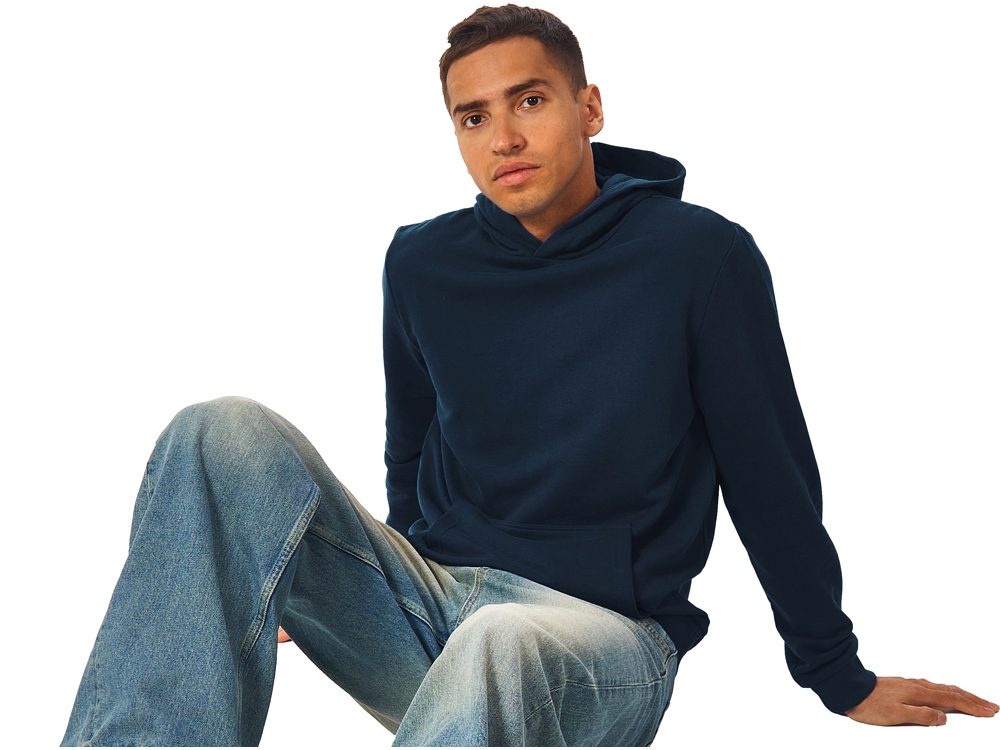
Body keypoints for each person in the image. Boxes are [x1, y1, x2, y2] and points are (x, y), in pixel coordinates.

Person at [62, 4, 996, 746]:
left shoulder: (698, 259)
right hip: (436, 607)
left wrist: (836, 673)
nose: (502, 136)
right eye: (474, 117)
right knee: (215, 430)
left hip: (606, 644)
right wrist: (285, 565)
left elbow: (769, 475)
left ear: (590, 108)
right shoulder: (422, 262)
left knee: (499, 640)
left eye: (530, 101)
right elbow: (411, 452)